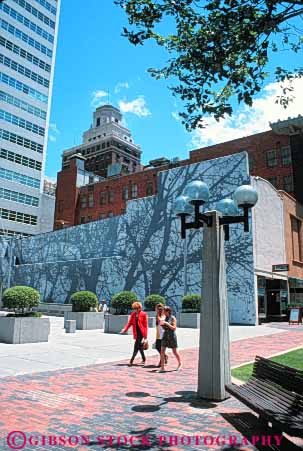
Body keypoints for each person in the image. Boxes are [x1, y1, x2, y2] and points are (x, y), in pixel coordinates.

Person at [120, 301, 148, 366]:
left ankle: (131, 360)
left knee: (136, 346)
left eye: (137, 308)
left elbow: (145, 326)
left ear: (140, 308)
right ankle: (144, 359)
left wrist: (145, 337)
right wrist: (125, 329)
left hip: (141, 332)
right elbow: (129, 323)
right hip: (136, 332)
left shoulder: (144, 314)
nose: (136, 310)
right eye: (135, 308)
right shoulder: (133, 314)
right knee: (140, 347)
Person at [159, 306, 182, 372]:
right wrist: (162, 325)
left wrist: (167, 324)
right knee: (162, 351)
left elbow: (174, 328)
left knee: (174, 351)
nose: (163, 312)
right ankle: (162, 368)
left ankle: (180, 363)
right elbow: (164, 328)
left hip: (172, 336)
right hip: (165, 335)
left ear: (168, 311)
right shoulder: (164, 318)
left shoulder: (173, 318)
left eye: (164, 311)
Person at [155, 303, 168, 367]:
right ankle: (165, 356)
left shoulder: (165, 316)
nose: (159, 309)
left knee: (161, 348)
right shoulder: (157, 315)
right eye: (158, 308)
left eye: (160, 308)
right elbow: (157, 322)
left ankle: (161, 361)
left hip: (164, 334)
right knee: (157, 347)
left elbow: (160, 321)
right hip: (158, 334)